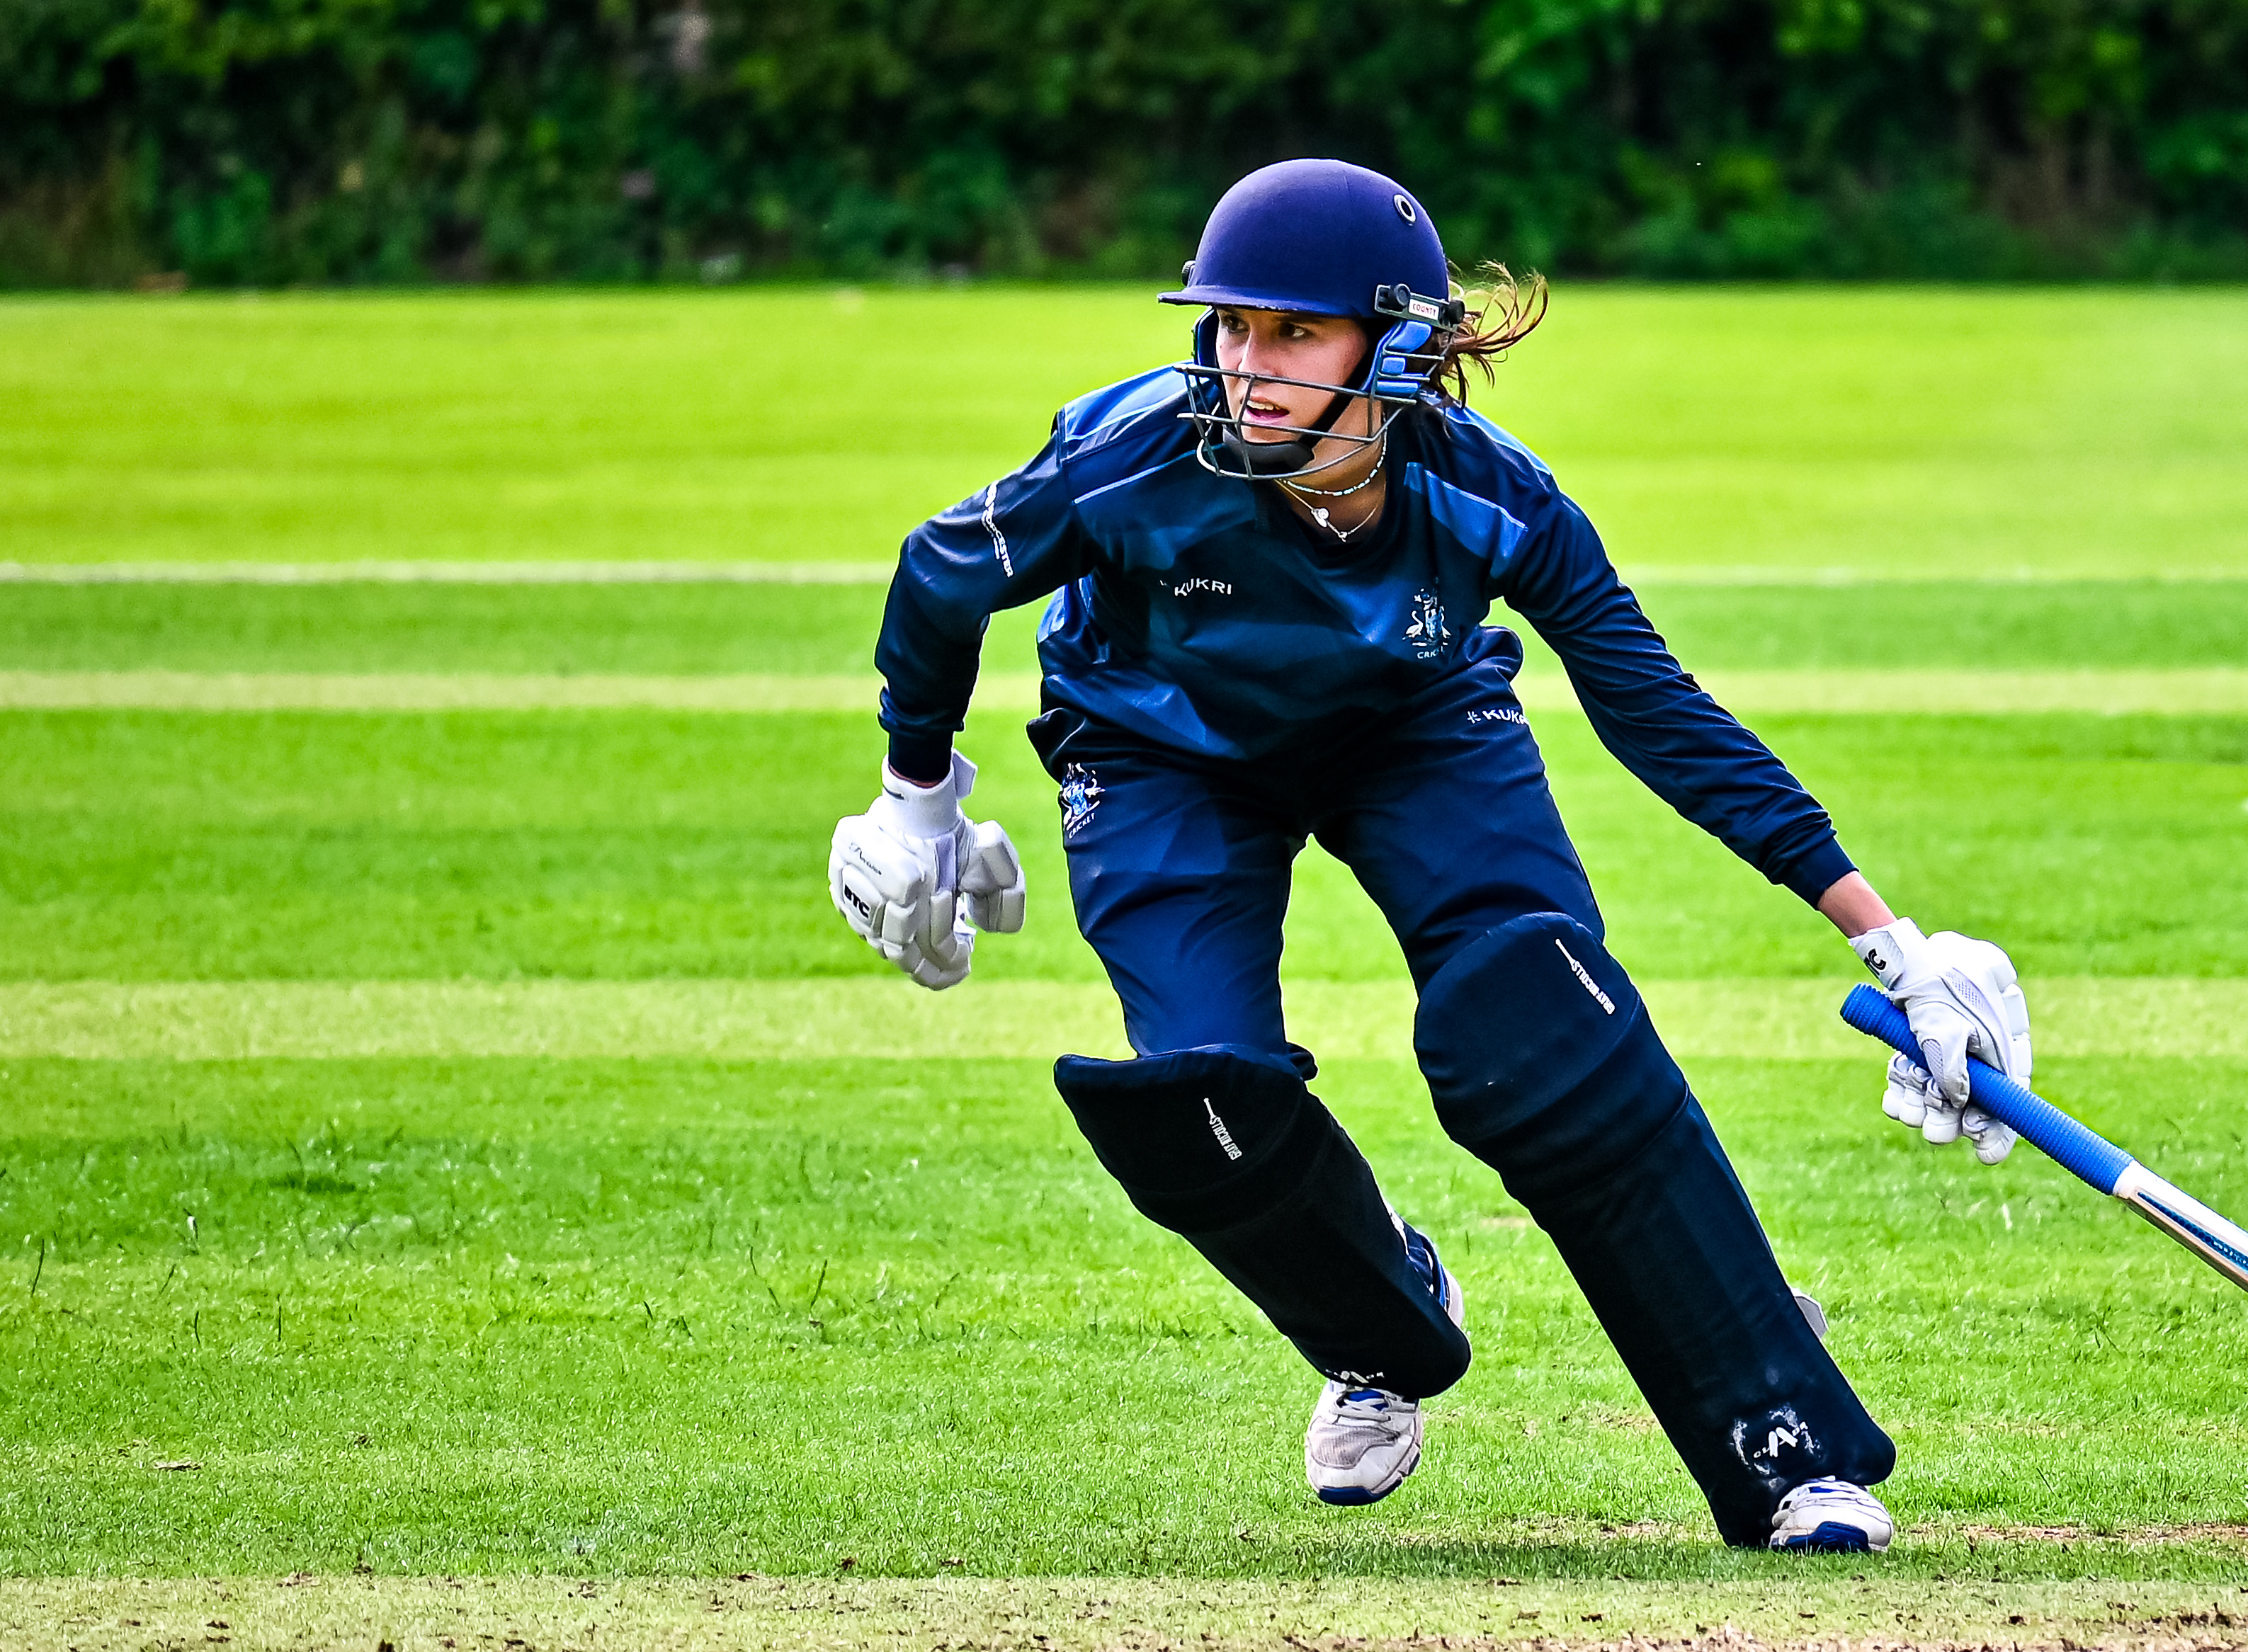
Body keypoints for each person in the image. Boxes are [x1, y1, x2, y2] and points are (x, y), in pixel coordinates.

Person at [827, 159, 2035, 1553]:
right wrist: (915, 792)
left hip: (1415, 731)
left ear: (1395, 348)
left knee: (1538, 1017)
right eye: (1228, 328)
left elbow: (1662, 718)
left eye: (1293, 333)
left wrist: (1890, 940)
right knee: (1201, 1104)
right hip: (1155, 751)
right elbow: (942, 568)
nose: (1246, 367)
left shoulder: (1490, 497)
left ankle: (1780, 1439)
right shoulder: (1136, 454)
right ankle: (1380, 1331)